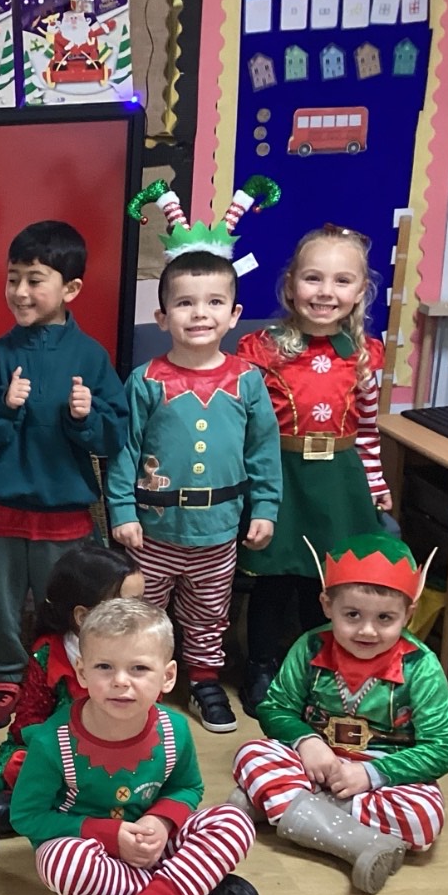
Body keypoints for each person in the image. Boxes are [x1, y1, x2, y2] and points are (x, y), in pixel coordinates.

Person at [108, 183, 283, 735]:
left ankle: (204, 679)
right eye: (185, 303)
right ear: (162, 316)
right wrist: (122, 511)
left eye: (213, 303)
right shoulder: (146, 380)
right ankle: (145, 683)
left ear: (234, 314)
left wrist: (265, 508)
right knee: (145, 611)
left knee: (209, 611)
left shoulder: (248, 381)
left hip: (219, 530)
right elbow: (125, 449)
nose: (199, 314)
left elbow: (263, 451)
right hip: (154, 530)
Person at [9, 598, 260, 895]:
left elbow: (187, 788)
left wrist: (161, 822)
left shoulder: (175, 730)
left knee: (235, 821)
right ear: (82, 672)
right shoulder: (51, 742)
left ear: (168, 676)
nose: (120, 681)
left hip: (157, 844)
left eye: (139, 668)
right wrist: (109, 835)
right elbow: (27, 816)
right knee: (61, 868)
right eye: (104, 667)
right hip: (91, 852)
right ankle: (189, 892)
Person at [0, 220, 127, 731]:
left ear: (70, 288)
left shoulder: (91, 357)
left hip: (64, 510)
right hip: (3, 508)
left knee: (67, 601)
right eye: (13, 278)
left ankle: (63, 674)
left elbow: (113, 437)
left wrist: (86, 417)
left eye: (35, 280)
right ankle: (5, 674)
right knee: (1, 599)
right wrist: (3, 406)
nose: (20, 292)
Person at [231, 534, 448, 894]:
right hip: (314, 763)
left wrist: (371, 774)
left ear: (409, 613)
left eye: (385, 618)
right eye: (352, 615)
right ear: (327, 605)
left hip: (383, 774)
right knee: (251, 753)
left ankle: (278, 803)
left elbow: (443, 747)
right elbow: (274, 707)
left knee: (424, 817)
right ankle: (358, 845)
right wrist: (307, 742)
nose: (367, 630)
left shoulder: (421, 666)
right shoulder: (309, 646)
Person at [237, 223, 389, 713]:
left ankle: (317, 669)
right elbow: (245, 425)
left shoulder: (365, 355)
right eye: (313, 278)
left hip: (339, 482)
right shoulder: (261, 349)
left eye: (342, 281)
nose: (326, 292)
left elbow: (368, 429)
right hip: (280, 475)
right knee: (274, 578)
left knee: (327, 580)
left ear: (361, 291)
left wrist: (376, 482)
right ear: (291, 285)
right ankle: (261, 666)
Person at [0, 543, 142, 837]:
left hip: (120, 748)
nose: (138, 616)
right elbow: (28, 719)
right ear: (82, 617)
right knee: (18, 763)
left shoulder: (141, 653)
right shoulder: (49, 653)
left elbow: (148, 711)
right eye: (125, 608)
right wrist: (62, 748)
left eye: (140, 604)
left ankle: (65, 806)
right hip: (61, 750)